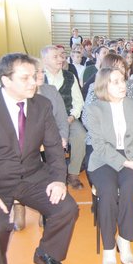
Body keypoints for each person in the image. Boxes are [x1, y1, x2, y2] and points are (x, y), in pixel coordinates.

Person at [0, 53, 79, 264]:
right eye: (25, 78)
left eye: (35, 76)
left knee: (67, 209)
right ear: (6, 80)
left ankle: (46, 253)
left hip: (33, 175)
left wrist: (58, 179)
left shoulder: (42, 105)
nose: (34, 82)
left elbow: (54, 146)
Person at [84, 67, 133, 264]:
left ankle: (124, 239)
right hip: (103, 160)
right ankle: (109, 247)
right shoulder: (94, 109)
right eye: (115, 82)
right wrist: (127, 164)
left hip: (132, 156)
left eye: (122, 80)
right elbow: (99, 146)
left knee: (131, 186)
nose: (123, 85)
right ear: (104, 86)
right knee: (108, 191)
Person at [12, 59, 71, 231]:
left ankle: (43, 208)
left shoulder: (50, 91)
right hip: (25, 146)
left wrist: (63, 138)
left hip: (49, 140)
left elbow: (61, 117)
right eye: (33, 73)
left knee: (51, 160)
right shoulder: (15, 95)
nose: (39, 76)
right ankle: (18, 206)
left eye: (41, 72)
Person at [41, 45, 87, 190]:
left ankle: (73, 174)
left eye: (61, 56)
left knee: (81, 135)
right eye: (55, 57)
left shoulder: (69, 76)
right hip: (44, 122)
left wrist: (72, 116)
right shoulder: (38, 77)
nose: (60, 59)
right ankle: (51, 175)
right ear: (44, 60)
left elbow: (78, 101)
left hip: (68, 119)